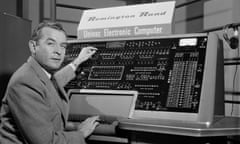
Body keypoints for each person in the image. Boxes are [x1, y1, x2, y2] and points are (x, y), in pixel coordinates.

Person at [0, 21, 99, 144]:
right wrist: (80, 133)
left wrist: (77, 62)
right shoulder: (24, 82)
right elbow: (47, 142)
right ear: (33, 46)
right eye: (51, 43)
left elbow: (52, 83)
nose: (58, 51)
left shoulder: (36, 73)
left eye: (63, 46)